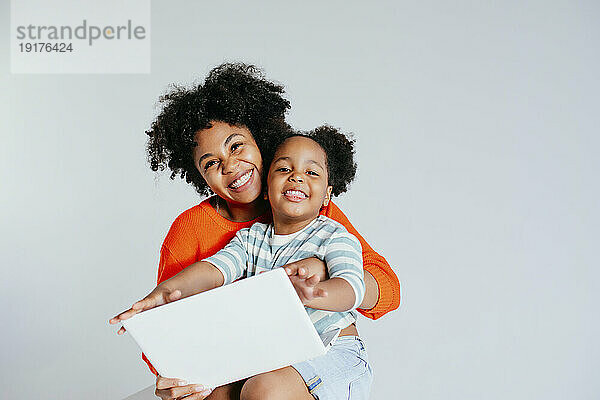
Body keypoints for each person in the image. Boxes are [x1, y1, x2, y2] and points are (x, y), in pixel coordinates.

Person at [111, 63, 400, 400]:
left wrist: (323, 278)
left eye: (236, 147)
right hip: (248, 358)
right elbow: (176, 323)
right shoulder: (203, 233)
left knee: (264, 390)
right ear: (199, 176)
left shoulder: (310, 210)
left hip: (323, 350)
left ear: (260, 140)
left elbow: (388, 290)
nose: (230, 166)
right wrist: (163, 298)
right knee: (213, 395)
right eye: (211, 163)